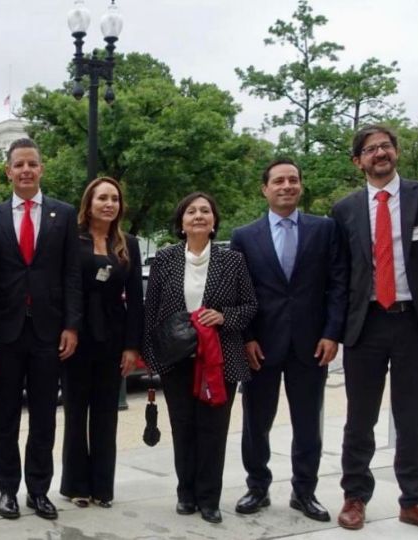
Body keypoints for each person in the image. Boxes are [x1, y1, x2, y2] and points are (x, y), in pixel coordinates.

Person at [229, 158, 347, 522]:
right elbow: (238, 292)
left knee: (308, 422)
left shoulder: (325, 229)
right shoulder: (244, 236)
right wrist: (246, 337)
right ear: (264, 189)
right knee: (256, 422)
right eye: (278, 181)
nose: (286, 186)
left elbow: (338, 284)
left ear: (300, 186)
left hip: (311, 344)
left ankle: (304, 491)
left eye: (293, 180)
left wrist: (331, 333)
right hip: (261, 345)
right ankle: (257, 486)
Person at [331, 125, 418, 532]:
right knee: (360, 418)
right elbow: (340, 275)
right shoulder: (345, 210)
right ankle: (355, 496)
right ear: (358, 161)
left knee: (412, 418)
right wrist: (333, 330)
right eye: (370, 149)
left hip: (416, 324)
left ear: (396, 152)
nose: (380, 153)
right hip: (366, 324)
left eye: (385, 146)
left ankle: (414, 500)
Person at [142, 192, 256, 524]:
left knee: (213, 430)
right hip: (177, 360)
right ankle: (186, 494)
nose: (198, 216)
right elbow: (151, 311)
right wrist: (151, 356)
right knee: (183, 428)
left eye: (205, 211)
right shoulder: (165, 259)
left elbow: (250, 305)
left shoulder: (232, 260)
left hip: (220, 359)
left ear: (214, 221)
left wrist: (223, 317)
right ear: (181, 222)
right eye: (191, 211)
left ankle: (209, 499)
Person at [0, 138, 82, 521]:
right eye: (19, 164)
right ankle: (7, 490)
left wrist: (71, 325)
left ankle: (39, 490)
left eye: (32, 164)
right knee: (5, 416)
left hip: (49, 331)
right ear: (8, 171)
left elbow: (72, 274)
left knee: (44, 416)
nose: (25, 170)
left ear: (41, 169)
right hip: (6, 331)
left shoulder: (64, 214)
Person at [60, 177, 143, 509]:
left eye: (114, 199)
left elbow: (135, 300)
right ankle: (76, 485)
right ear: (89, 203)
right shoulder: (71, 239)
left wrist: (132, 346)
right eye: (102, 198)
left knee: (106, 414)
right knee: (75, 413)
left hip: (113, 337)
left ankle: (102, 488)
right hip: (77, 336)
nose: (109, 204)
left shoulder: (128, 244)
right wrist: (67, 327)